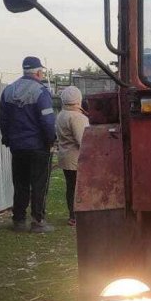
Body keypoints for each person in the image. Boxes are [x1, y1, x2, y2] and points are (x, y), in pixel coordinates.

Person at [0, 56, 56, 233]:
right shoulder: (41, 92)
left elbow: (3, 118)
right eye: (41, 71)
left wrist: (7, 138)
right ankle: (38, 221)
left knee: (20, 183)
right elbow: (47, 120)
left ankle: (19, 220)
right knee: (39, 184)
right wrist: (51, 140)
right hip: (38, 147)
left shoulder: (9, 90)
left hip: (17, 147)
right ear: (38, 72)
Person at [55, 86, 90, 226]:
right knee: (79, 188)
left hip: (65, 157)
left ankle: (72, 215)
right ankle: (78, 216)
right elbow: (83, 140)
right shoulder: (77, 117)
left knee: (70, 187)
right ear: (78, 99)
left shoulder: (61, 114)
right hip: (77, 159)